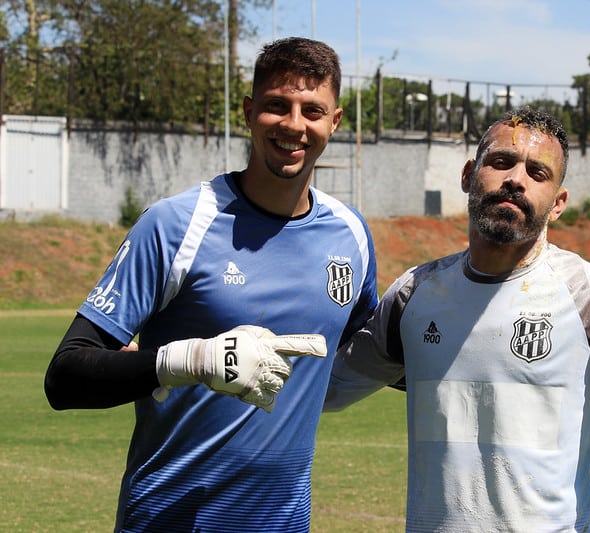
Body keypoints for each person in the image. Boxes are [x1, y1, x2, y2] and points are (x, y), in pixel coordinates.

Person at [325, 105, 590, 532]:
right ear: (468, 175)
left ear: (558, 204)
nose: (515, 179)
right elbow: (328, 391)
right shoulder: (414, 294)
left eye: (537, 172)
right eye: (501, 162)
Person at [44, 37, 378, 532]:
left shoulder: (351, 235)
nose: (293, 125)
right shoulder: (175, 225)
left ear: (335, 121)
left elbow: (370, 350)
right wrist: (190, 360)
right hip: (166, 522)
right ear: (247, 112)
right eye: (276, 105)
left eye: (312, 110)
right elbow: (64, 377)